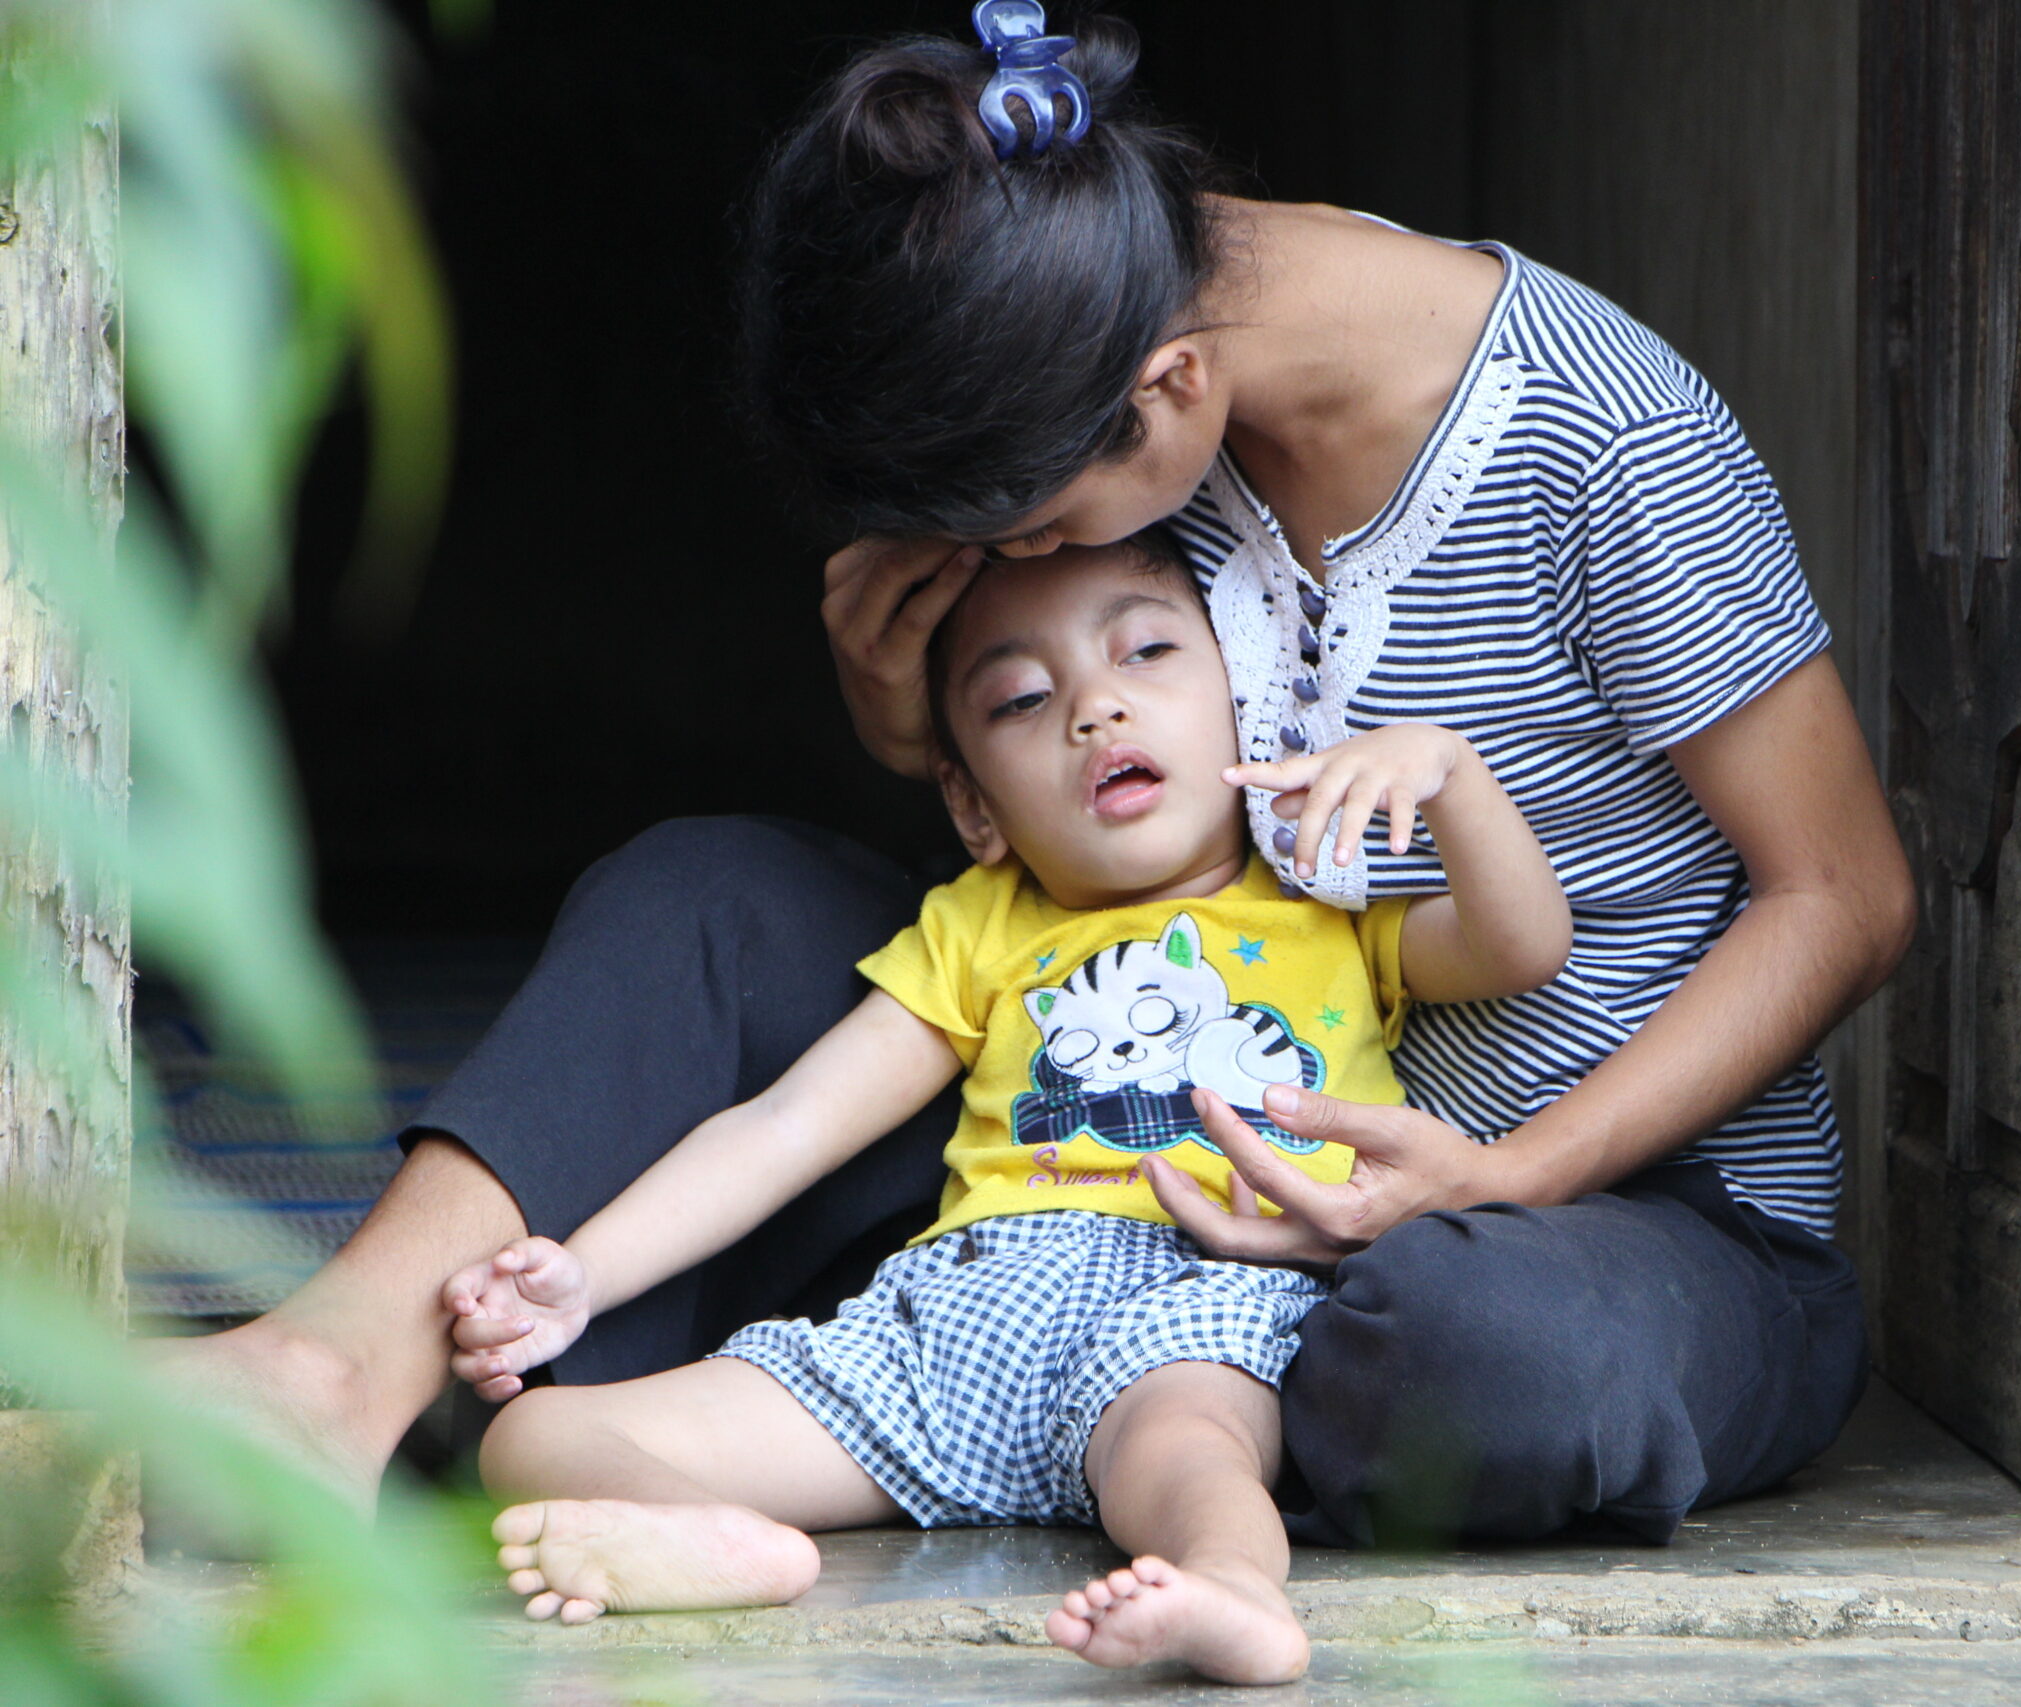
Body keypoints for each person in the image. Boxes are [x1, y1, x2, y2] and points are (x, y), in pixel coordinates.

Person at [160, 6, 1913, 1546]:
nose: (1000, 554)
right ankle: (338, 1368)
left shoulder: (1601, 439)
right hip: (1100, 1190)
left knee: (1502, 1359)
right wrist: (898, 713)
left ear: (1166, 395)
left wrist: (1500, 1178)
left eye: (1023, 528)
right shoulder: (1080, 325)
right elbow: (1030, 895)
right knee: (707, 898)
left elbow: (1844, 896)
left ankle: (1003, 1428)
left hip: (1583, 1215)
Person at [438, 538, 1572, 1684]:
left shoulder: (1323, 913)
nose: (1095, 705)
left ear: (1249, 706)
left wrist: (1453, 778)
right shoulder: (977, 926)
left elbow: (1523, 946)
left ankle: (1229, 1591)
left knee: (1197, 1457)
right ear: (972, 805)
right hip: (947, 1324)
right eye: (1023, 697)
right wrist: (583, 1276)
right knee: (537, 1432)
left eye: (1147, 651)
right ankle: (731, 1544)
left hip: (1192, 1305)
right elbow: (784, 1127)